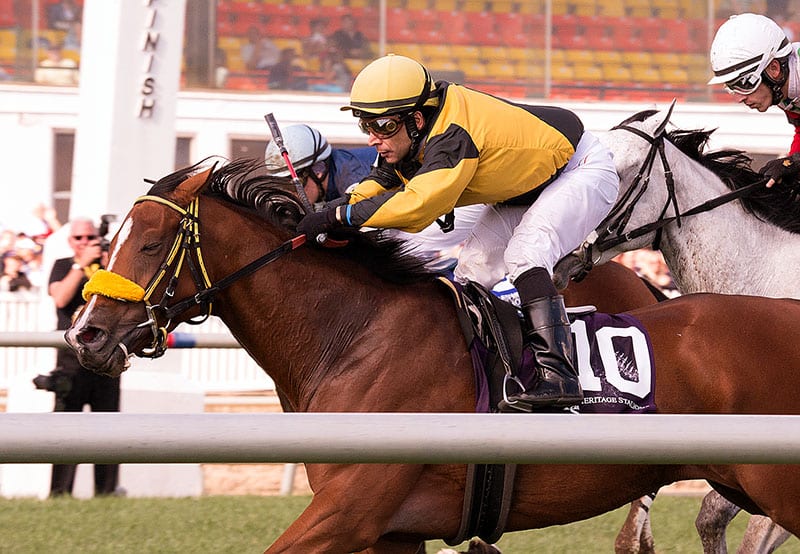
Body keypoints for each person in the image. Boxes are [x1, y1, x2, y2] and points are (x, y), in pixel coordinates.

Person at [296, 54, 620, 411]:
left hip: (581, 168)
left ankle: (560, 379)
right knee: (471, 272)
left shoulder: (453, 136)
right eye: (366, 126)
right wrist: (329, 209)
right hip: (521, 189)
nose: (374, 139)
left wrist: (341, 216)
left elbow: (420, 207)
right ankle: (485, 371)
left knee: (524, 256)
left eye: (384, 126)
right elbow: (381, 181)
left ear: (415, 119)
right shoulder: (411, 132)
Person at [38, 217, 121, 497]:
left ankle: (106, 492)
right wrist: (80, 264)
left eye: (90, 238)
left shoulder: (108, 266)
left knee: (108, 430)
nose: (85, 243)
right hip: (70, 360)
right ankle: (59, 492)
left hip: (105, 358)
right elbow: (60, 298)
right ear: (70, 241)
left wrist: (107, 263)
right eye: (79, 238)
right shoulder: (63, 265)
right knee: (65, 430)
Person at [708, 13, 800, 188]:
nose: (739, 98)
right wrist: (791, 163)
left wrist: (794, 163)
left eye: (744, 83)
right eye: (731, 86)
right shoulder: (782, 87)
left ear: (774, 69)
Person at [264, 123, 377, 206]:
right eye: (283, 186)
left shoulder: (354, 182)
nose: (291, 195)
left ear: (319, 170)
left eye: (294, 185)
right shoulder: (335, 172)